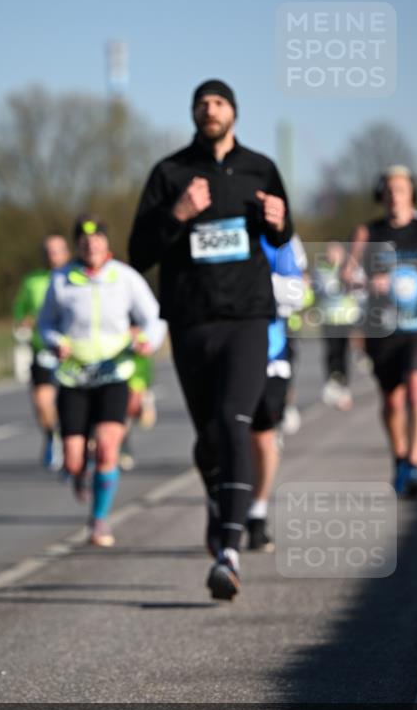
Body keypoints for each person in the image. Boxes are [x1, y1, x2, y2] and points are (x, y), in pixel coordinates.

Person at [129, 79, 293, 600]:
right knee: (207, 438)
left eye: (218, 102)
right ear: (194, 114)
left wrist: (281, 224)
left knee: (234, 422)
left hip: (248, 316)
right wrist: (177, 213)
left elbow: (282, 235)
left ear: (234, 112)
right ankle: (220, 502)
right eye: (201, 103)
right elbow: (138, 252)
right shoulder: (171, 172)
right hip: (192, 319)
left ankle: (228, 549)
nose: (209, 109)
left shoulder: (260, 169)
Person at [38, 216, 164, 546]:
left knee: (109, 447)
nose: (91, 246)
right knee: (73, 458)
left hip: (113, 373)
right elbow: (45, 323)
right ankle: (79, 473)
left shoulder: (124, 278)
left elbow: (153, 317)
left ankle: (99, 520)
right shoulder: (62, 279)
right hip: (74, 377)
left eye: (97, 240)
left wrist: (147, 340)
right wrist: (55, 341)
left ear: (106, 244)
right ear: (77, 245)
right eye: (84, 241)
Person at [346, 166, 417, 497]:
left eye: (402, 189)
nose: (395, 195)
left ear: (411, 194)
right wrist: (367, 280)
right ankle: (400, 459)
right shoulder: (368, 232)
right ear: (382, 195)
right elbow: (347, 274)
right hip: (383, 329)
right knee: (392, 403)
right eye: (389, 190)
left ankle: (416, 465)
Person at [246, 236, 306, 552]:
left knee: (263, 437)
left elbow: (297, 293)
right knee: (227, 437)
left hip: (270, 352)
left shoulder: (280, 241)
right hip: (224, 355)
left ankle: (257, 512)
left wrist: (248, 282)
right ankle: (226, 506)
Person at [13, 234, 70, 469]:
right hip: (43, 350)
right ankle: (52, 437)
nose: (52, 255)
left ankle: (75, 444)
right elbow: (19, 315)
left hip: (74, 353)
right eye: (48, 250)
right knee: (42, 402)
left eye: (57, 250)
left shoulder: (76, 277)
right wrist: (24, 321)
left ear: (66, 252)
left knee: (73, 404)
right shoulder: (32, 281)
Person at [311, 240, 360, 411]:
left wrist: (348, 279)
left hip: (345, 318)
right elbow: (321, 288)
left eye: (336, 251)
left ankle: (344, 387)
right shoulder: (321, 269)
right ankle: (331, 384)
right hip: (328, 317)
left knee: (343, 353)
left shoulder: (351, 268)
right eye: (330, 251)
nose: (332, 255)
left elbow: (359, 287)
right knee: (330, 352)